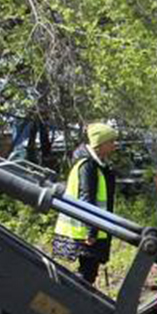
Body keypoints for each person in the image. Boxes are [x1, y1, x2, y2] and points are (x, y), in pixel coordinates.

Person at [51, 122, 120, 284]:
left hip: (91, 229)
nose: (114, 145)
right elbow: (86, 199)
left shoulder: (96, 164)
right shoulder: (88, 166)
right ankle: (73, 303)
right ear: (100, 144)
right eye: (111, 141)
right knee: (86, 274)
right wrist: (92, 232)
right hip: (86, 233)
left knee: (89, 273)